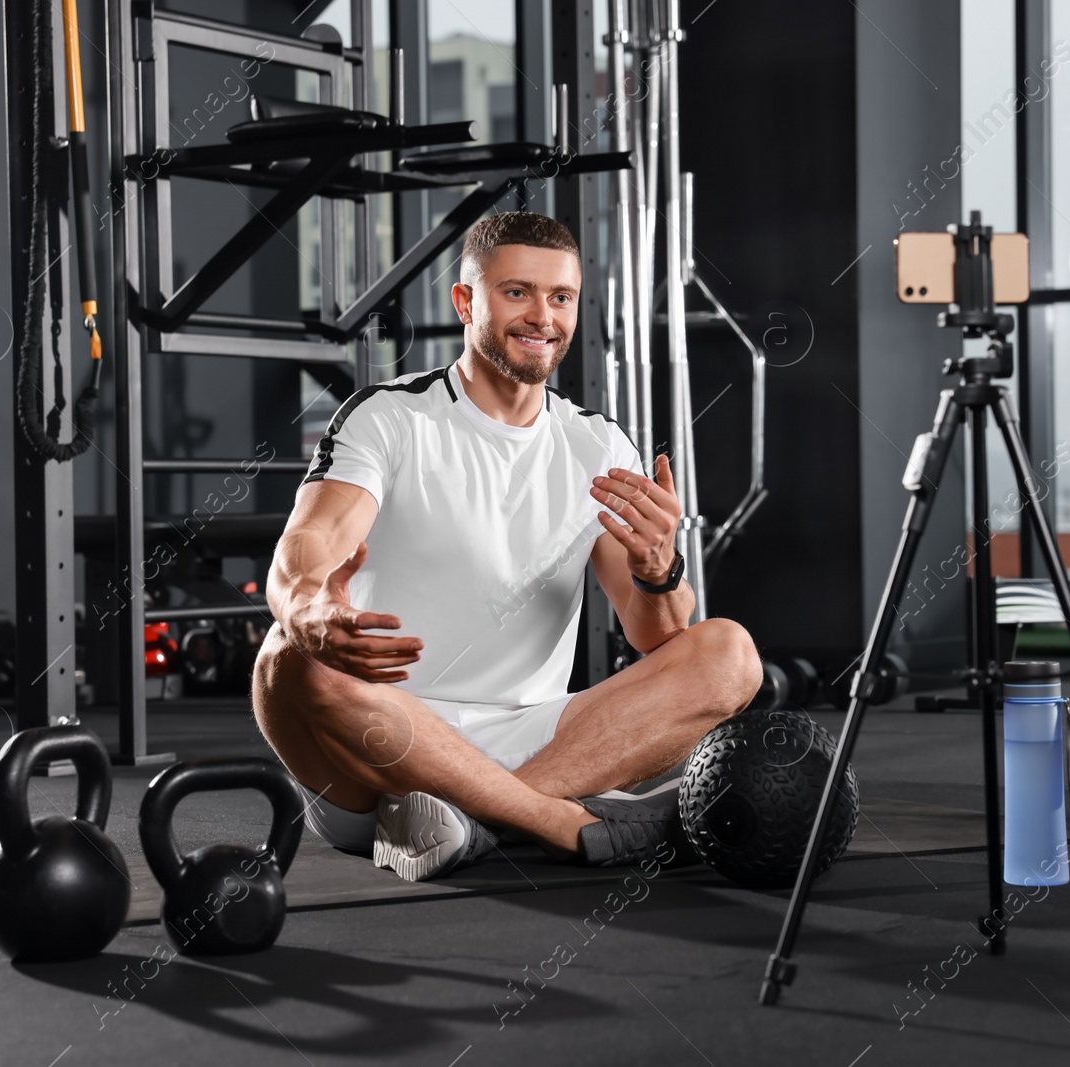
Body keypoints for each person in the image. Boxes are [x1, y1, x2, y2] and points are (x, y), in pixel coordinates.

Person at [253, 211, 762, 882]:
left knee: (729, 654)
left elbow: (657, 635)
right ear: (467, 301)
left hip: (539, 733)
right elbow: (308, 544)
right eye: (517, 292)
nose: (542, 316)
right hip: (381, 746)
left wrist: (658, 569)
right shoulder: (390, 417)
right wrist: (306, 607)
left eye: (561, 297)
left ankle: (476, 821)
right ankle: (556, 819)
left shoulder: (598, 444)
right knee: (286, 655)